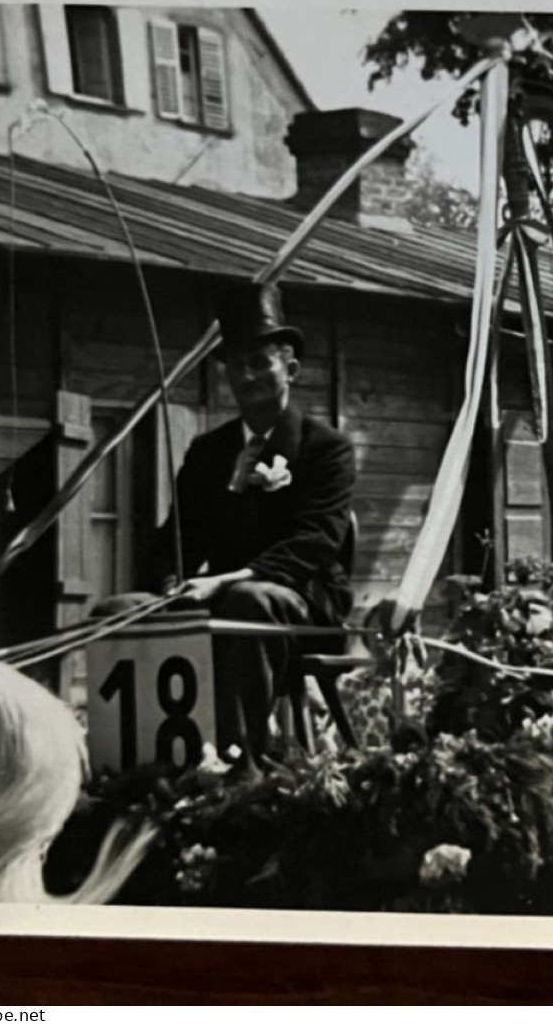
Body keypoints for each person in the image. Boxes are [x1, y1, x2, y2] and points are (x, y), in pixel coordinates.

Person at [106, 282, 356, 777]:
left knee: (249, 602)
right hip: (219, 596)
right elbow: (178, 534)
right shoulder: (209, 452)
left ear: (291, 369)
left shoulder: (325, 448)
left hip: (303, 602)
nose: (247, 375)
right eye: (236, 365)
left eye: (260, 362)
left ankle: (243, 766)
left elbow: (315, 542)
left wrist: (223, 580)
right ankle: (133, 762)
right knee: (119, 609)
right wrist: (164, 585)